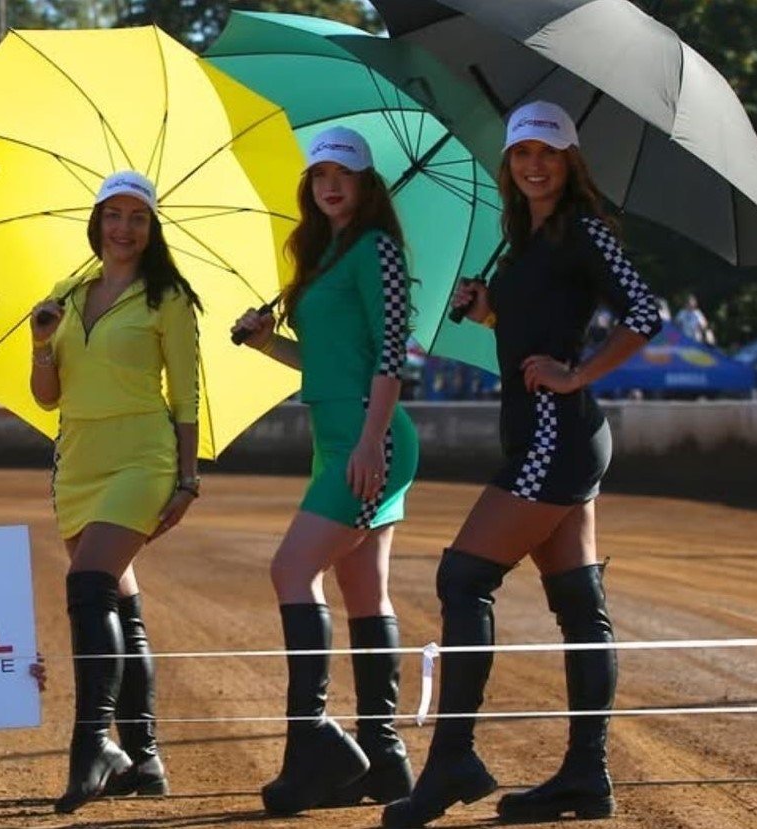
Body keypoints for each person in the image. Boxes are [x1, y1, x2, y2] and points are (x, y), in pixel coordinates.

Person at [382, 102, 663, 828]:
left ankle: (452, 762)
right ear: (508, 162)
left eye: (548, 151)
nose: (534, 165)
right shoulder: (523, 236)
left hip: (554, 436)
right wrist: (490, 314)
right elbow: (539, 321)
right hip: (543, 435)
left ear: (570, 160)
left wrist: (578, 374)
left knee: (463, 576)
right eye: (522, 153)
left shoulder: (583, 229)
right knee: (577, 602)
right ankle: (585, 778)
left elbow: (644, 312)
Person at [234, 127, 419, 815]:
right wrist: (266, 343)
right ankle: (385, 758)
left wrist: (370, 442)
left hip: (368, 437)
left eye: (343, 173)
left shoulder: (377, 249)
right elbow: (323, 360)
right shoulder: (324, 255)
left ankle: (313, 745)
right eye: (318, 175)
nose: (329, 185)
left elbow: (392, 353)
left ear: (366, 183)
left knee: (291, 569)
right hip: (338, 433)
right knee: (364, 590)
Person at [27, 170, 201, 813]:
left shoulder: (169, 298)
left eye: (137, 217)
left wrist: (187, 478)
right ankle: (145, 759)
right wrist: (41, 343)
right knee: (120, 605)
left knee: (89, 583)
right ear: (97, 221)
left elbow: (186, 397)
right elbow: (47, 397)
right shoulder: (65, 293)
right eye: (113, 214)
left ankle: (93, 746)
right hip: (78, 462)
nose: (123, 227)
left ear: (151, 229)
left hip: (141, 458)